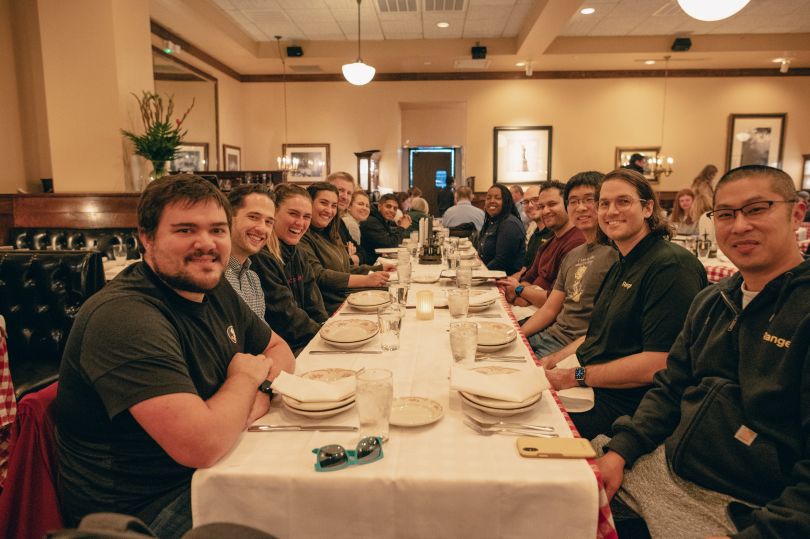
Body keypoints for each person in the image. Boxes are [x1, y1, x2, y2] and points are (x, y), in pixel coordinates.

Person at [55, 175, 295, 537]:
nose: (206, 244)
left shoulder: (213, 287)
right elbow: (202, 445)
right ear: (147, 238)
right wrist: (245, 379)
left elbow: (280, 352)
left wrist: (251, 396)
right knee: (307, 515)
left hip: (217, 463)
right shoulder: (124, 317)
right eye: (185, 230)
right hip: (147, 510)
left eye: (217, 230)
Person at [595, 165, 810, 538]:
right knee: (548, 492)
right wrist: (620, 450)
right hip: (662, 470)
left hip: (737, 506)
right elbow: (669, 389)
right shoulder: (713, 300)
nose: (740, 225)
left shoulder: (802, 311)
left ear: (797, 214)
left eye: (757, 209)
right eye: (726, 214)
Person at [542, 168, 707, 439]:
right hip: (590, 386)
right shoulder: (623, 262)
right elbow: (596, 335)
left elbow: (659, 362)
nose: (611, 211)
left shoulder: (671, 266)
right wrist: (552, 360)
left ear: (647, 208)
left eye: (623, 201)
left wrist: (576, 375)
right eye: (604, 204)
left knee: (523, 424)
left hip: (625, 407)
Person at [521, 172, 619, 358]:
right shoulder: (574, 255)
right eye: (573, 201)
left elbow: (602, 332)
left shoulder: (615, 254)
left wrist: (554, 360)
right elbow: (550, 309)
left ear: (603, 204)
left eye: (589, 199)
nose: (580, 208)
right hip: (549, 336)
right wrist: (518, 336)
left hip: (574, 351)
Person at [251, 184, 328, 354]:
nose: (300, 223)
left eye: (306, 216)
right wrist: (326, 337)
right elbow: (285, 317)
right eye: (293, 214)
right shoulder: (261, 256)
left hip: (307, 340)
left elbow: (314, 302)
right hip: (284, 349)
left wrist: (327, 327)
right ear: (274, 214)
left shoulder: (298, 251)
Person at [299, 182, 391, 314]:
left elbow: (345, 267)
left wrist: (378, 268)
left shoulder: (330, 232)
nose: (329, 210)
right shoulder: (302, 236)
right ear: (309, 203)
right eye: (323, 203)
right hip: (335, 307)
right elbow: (319, 275)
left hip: (347, 298)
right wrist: (366, 280)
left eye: (333, 206)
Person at [498, 180, 586, 308]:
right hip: (530, 307)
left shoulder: (576, 243)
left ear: (568, 204)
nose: (545, 211)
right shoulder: (549, 242)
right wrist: (523, 292)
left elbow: (555, 302)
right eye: (542, 206)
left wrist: (519, 291)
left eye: (552, 204)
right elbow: (529, 278)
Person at [224, 184, 275, 319]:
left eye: (269, 222)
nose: (262, 228)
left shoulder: (253, 280)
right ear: (229, 217)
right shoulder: (214, 277)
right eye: (253, 217)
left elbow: (263, 337)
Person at [476, 184, 526, 275]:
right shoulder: (493, 221)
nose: (492, 201)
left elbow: (501, 262)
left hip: (505, 281)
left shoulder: (509, 224)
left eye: (497, 198)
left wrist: (478, 274)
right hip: (490, 275)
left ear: (506, 201)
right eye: (488, 198)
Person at [360, 193, 412, 263]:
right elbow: (389, 244)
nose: (392, 210)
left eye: (395, 208)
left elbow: (389, 236)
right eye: (388, 206)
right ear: (379, 206)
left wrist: (398, 226)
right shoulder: (371, 221)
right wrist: (402, 227)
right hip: (369, 264)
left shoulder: (382, 219)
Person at [521, 185, 554, 272]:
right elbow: (526, 266)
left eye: (535, 200)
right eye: (526, 202)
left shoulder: (554, 233)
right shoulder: (534, 234)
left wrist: (520, 285)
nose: (530, 205)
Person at [326, 171, 357, 245]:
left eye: (349, 193)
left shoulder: (339, 221)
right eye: (340, 190)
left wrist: (355, 256)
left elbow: (360, 250)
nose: (345, 197)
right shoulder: (322, 221)